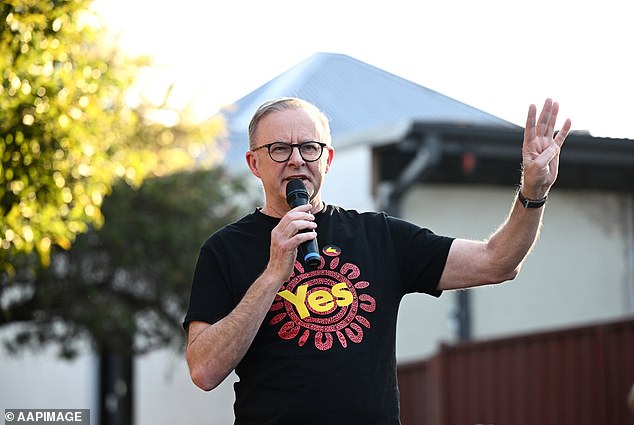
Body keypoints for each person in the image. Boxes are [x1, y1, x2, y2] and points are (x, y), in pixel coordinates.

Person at [183, 97, 572, 424]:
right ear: (255, 163)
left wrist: (532, 193)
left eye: (309, 147)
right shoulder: (225, 250)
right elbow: (203, 370)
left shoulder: (378, 235)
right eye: (280, 149)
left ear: (327, 158)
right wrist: (272, 274)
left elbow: (496, 262)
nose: (297, 160)